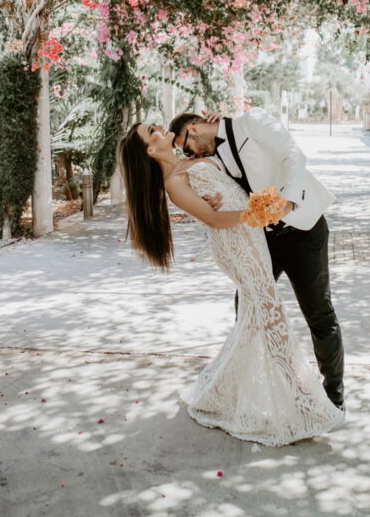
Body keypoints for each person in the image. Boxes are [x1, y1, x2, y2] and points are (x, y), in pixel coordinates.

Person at [118, 122, 344, 447]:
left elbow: (220, 154)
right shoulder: (174, 182)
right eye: (152, 130)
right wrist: (256, 213)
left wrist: (215, 123)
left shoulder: (191, 160)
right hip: (238, 245)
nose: (161, 127)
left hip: (253, 237)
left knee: (256, 317)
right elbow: (212, 219)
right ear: (150, 151)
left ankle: (227, 390)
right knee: (271, 316)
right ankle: (301, 400)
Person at [169, 107, 345, 412]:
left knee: (319, 312)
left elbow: (293, 155)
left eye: (186, 147)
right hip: (261, 241)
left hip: (303, 232)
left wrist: (288, 200)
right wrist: (212, 199)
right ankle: (257, 392)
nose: (190, 154)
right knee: (247, 310)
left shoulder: (251, 121)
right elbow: (215, 191)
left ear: (193, 129)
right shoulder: (209, 158)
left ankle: (334, 397)